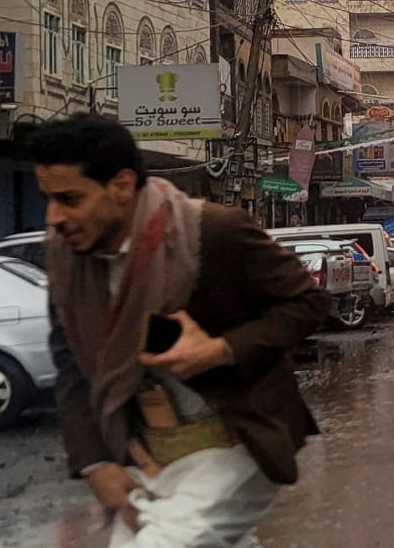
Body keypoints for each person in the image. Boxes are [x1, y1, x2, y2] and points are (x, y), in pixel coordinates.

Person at [30, 113, 329, 547]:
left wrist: (220, 350)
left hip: (236, 443)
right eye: (48, 199)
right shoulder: (67, 260)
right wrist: (96, 463)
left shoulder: (213, 232)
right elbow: (72, 366)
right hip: (149, 454)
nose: (54, 217)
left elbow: (308, 303)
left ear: (121, 186)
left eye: (70, 199)